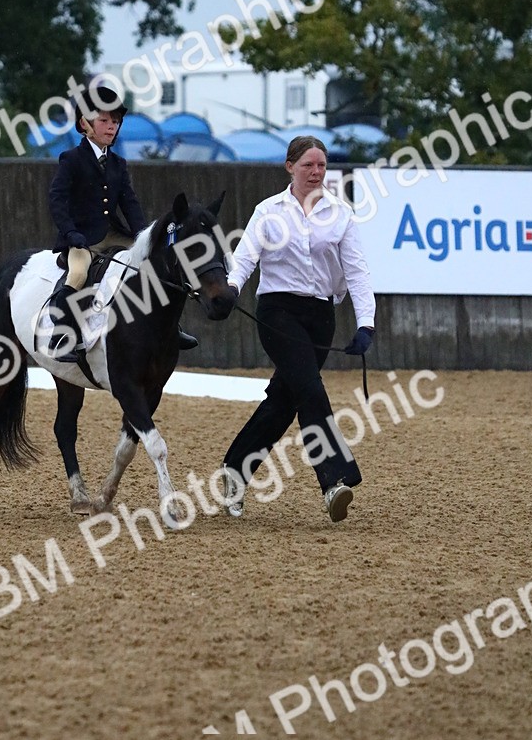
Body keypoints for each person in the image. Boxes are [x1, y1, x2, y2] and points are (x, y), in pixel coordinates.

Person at [221, 134, 375, 522]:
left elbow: (357, 272)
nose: (316, 172)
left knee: (284, 401)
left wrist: (366, 323)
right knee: (309, 388)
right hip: (278, 311)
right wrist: (231, 290)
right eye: (308, 165)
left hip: (321, 316)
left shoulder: (340, 214)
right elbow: (245, 259)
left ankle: (235, 470)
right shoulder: (267, 211)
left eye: (321, 165)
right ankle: (333, 481)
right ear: (290, 166)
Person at [47, 85, 198, 361]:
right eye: (104, 121)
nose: (111, 127)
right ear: (85, 124)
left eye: (115, 122)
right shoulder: (71, 159)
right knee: (78, 274)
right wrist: (70, 233)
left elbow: (129, 202)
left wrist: (145, 236)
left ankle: (172, 326)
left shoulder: (118, 163)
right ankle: (62, 336)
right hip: (82, 238)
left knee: (157, 260)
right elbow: (57, 200)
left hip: (113, 233)